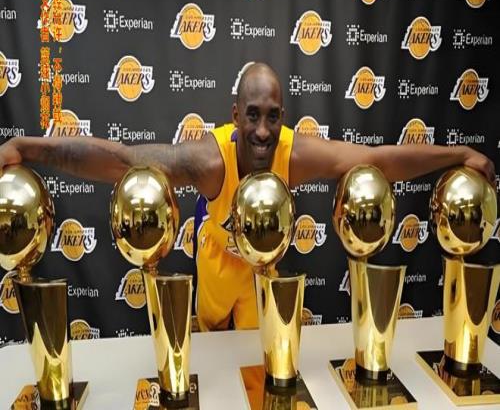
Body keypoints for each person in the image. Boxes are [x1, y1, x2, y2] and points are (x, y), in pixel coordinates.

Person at [0, 63, 495, 331]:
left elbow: (378, 161)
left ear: (282, 117)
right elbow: (121, 161)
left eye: (272, 116)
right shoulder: (209, 160)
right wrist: (27, 148)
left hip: (263, 267)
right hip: (216, 266)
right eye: (252, 114)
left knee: (259, 374)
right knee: (212, 364)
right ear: (235, 114)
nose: (262, 130)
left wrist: (458, 155)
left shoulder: (294, 153)